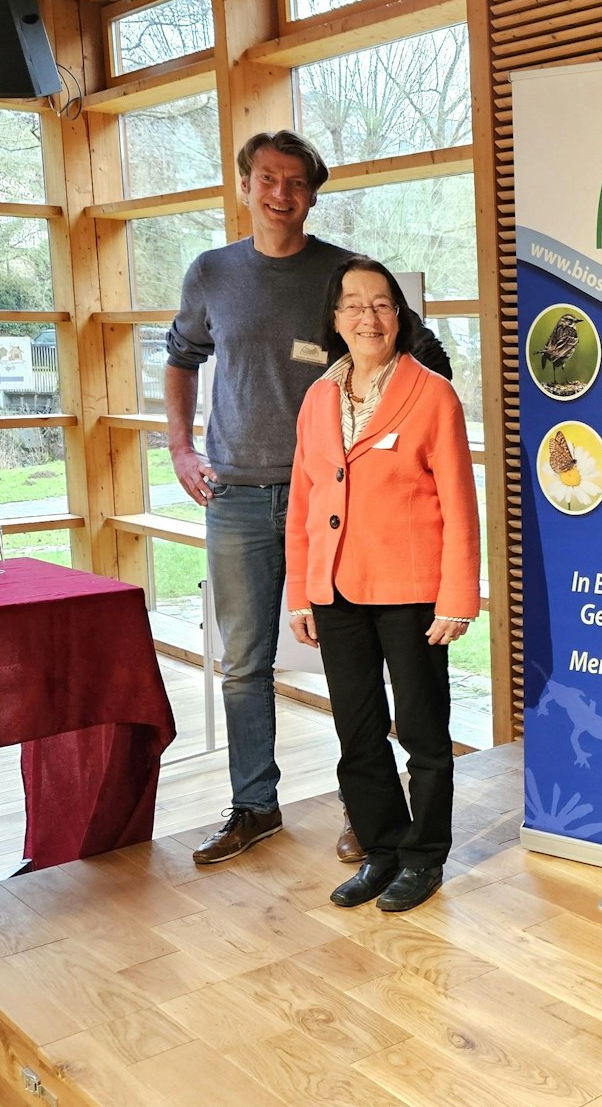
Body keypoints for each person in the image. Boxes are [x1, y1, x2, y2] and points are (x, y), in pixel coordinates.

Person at [168, 130, 449, 867]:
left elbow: (421, 354)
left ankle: (369, 810)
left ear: (313, 195)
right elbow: (180, 357)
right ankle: (254, 804)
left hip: (337, 498)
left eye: (295, 182)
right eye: (266, 178)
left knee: (353, 667)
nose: (280, 193)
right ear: (244, 184)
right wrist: (180, 446)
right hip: (234, 493)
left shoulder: (340, 277)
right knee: (243, 660)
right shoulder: (210, 273)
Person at [285, 255, 478, 913]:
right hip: (336, 590)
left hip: (412, 593)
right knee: (358, 733)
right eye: (354, 305)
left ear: (399, 314)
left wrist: (458, 597)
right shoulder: (317, 398)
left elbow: (459, 503)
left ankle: (425, 858)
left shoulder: (432, 393)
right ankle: (384, 848)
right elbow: (303, 503)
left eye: (382, 304)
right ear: (334, 320)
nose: (369, 316)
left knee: (423, 733)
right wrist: (301, 590)